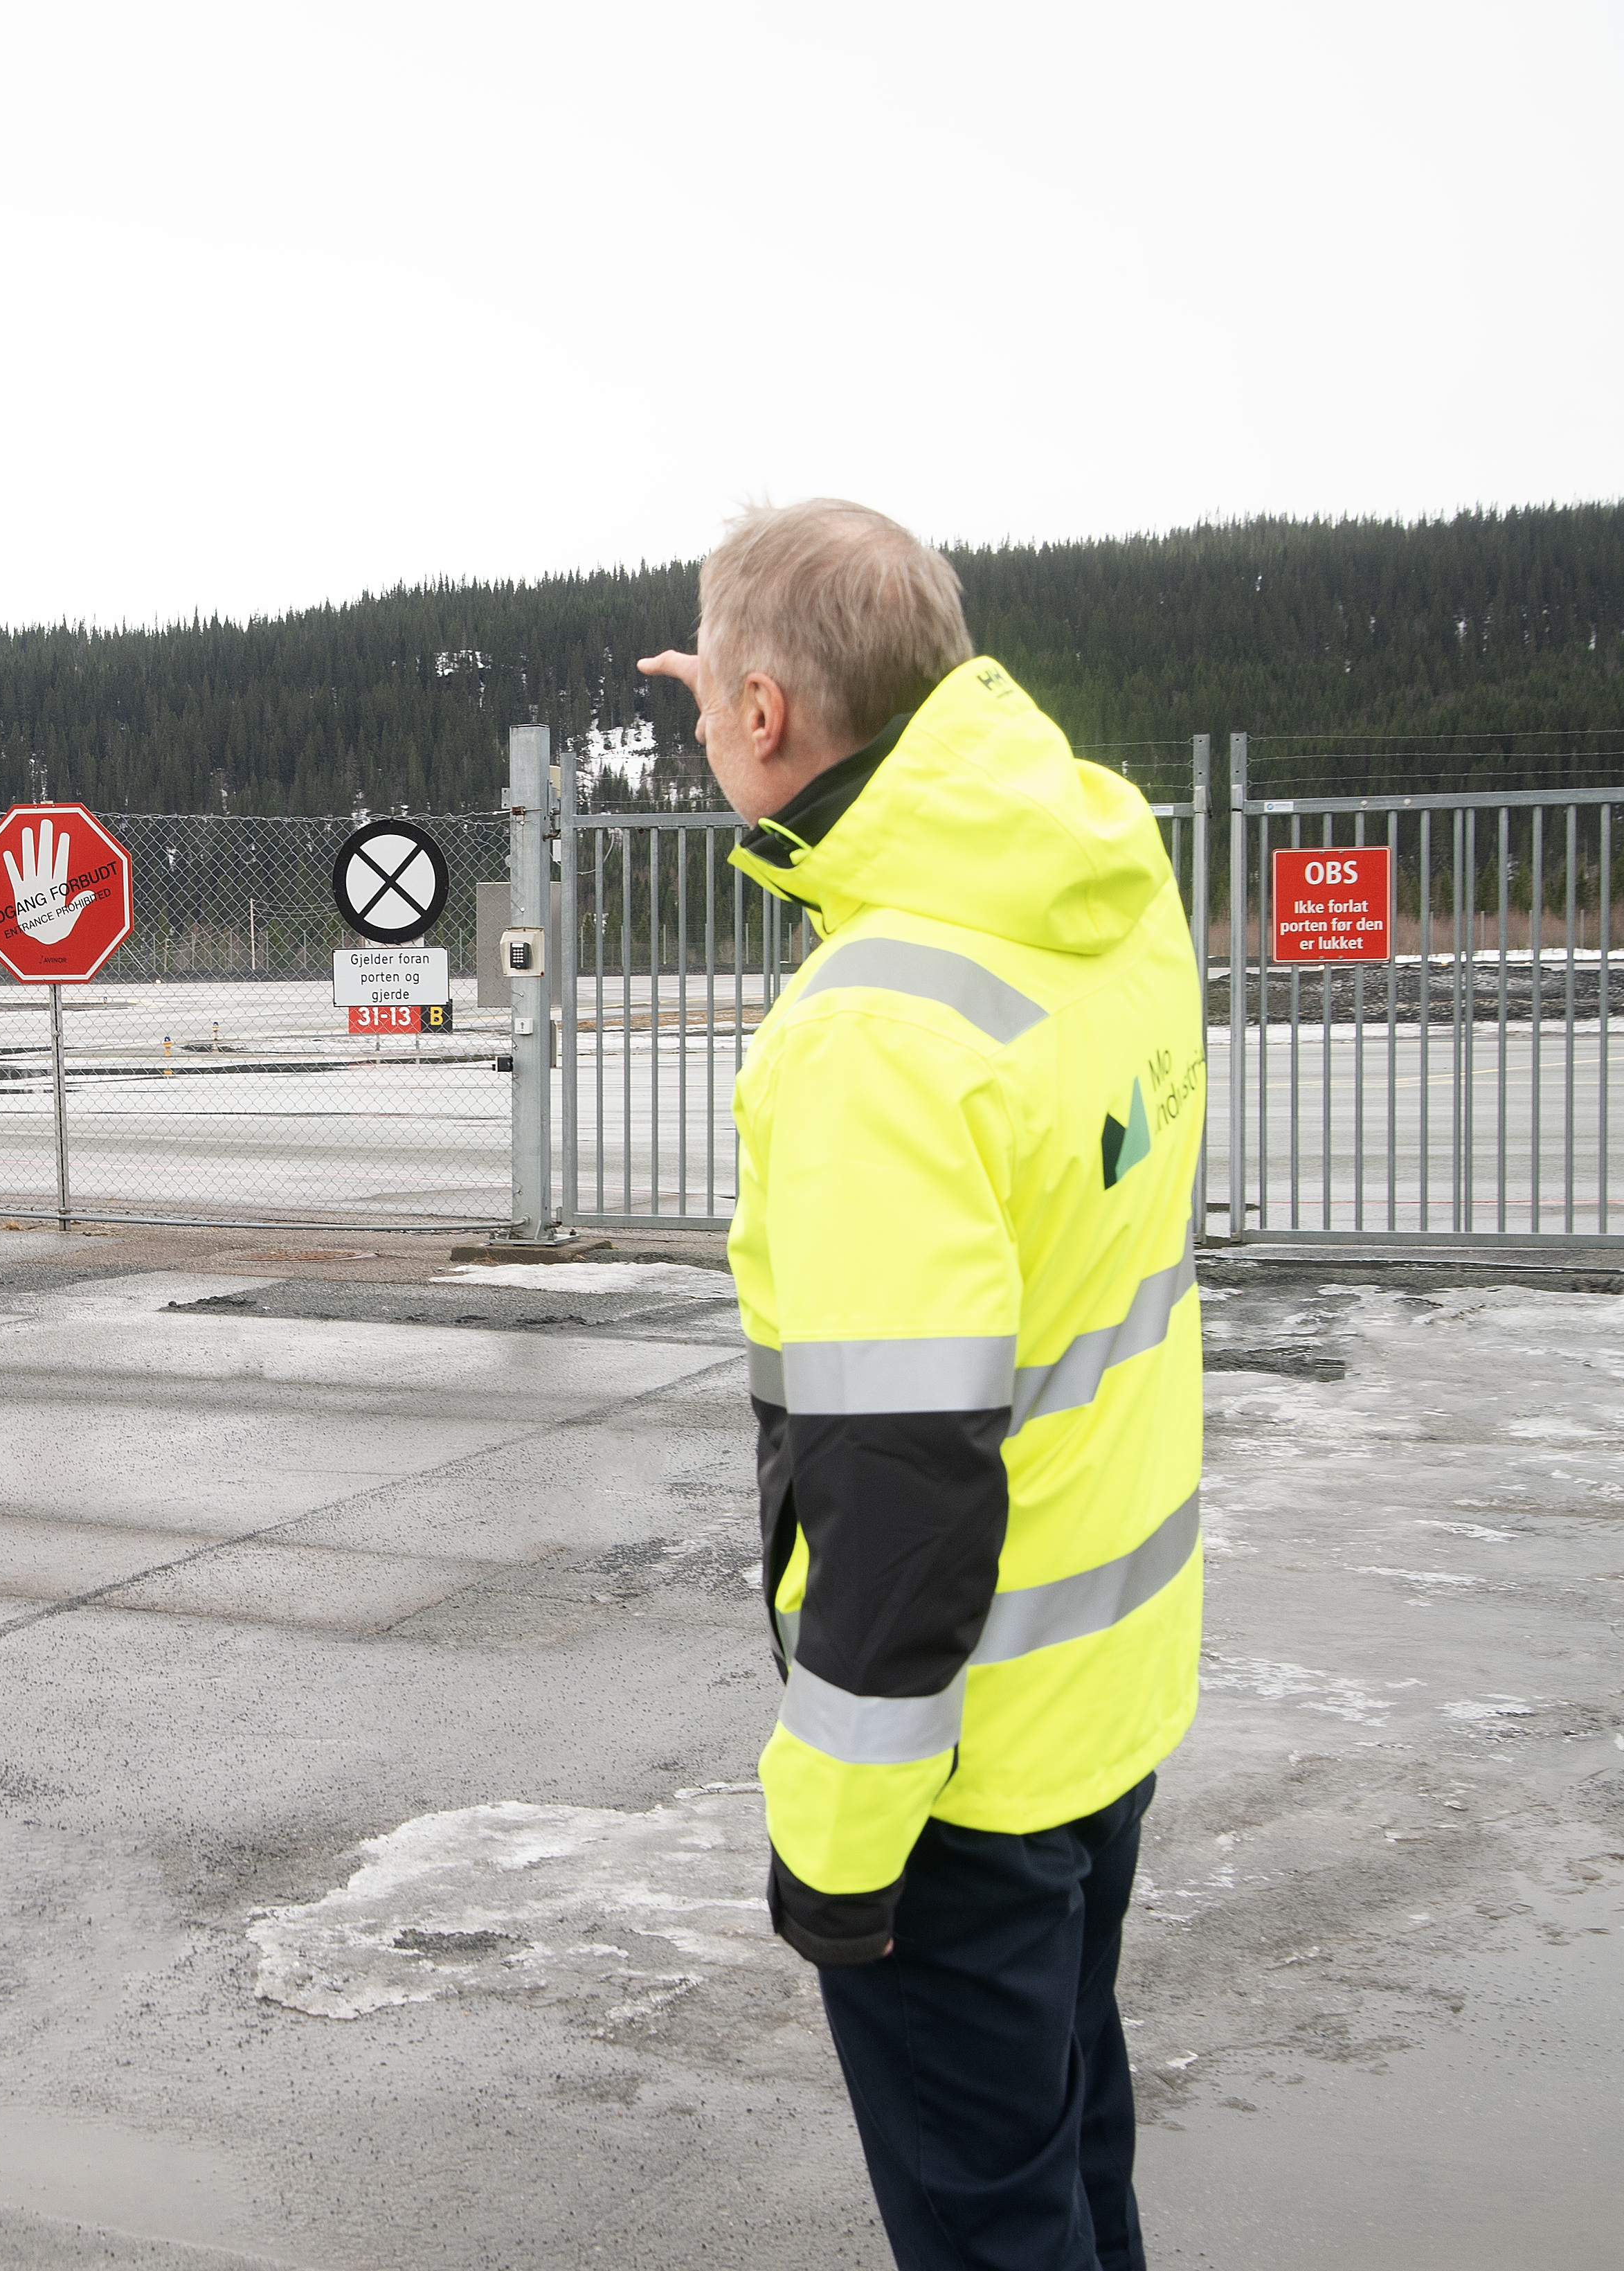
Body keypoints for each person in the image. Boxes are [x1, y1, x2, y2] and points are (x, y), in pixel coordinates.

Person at [640, 502, 1205, 2271]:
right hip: (1107, 1701)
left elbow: (900, 1496)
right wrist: (757, 714)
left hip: (958, 1774)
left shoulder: (874, 1033)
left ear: (763, 715)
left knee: (988, 2225)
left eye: (726, 696)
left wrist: (836, 1841)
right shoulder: (1098, 875)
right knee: (1067, 2148)